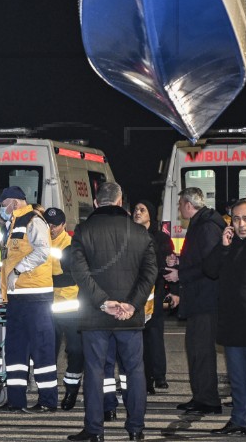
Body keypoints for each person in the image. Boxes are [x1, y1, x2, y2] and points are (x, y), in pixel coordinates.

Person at [67, 182, 157, 442]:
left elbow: (80, 273)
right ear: (120, 202)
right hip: (130, 317)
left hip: (95, 315)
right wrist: (131, 304)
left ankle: (95, 431)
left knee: (94, 370)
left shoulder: (83, 231)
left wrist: (103, 302)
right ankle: (136, 429)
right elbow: (150, 273)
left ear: (96, 203)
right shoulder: (140, 233)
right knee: (134, 371)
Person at [0, 186, 57, 414]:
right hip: (17, 297)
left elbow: (42, 251)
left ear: (15, 202)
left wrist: (18, 271)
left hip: (36, 295)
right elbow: (8, 261)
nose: (1, 208)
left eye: (3, 203)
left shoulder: (33, 220)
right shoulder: (12, 225)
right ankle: (16, 401)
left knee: (42, 349)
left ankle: (48, 401)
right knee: (15, 351)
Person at [168, 187, 225, 415]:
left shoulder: (207, 227)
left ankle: (208, 400)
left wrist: (180, 274)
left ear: (189, 205)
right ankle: (201, 396)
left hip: (206, 300)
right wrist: (180, 260)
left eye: (180, 204)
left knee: (201, 350)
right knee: (195, 349)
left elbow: (210, 265)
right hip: (200, 298)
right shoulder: (201, 224)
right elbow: (200, 258)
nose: (179, 208)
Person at [204, 199, 246, 436]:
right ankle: (239, 420)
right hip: (231, 323)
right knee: (237, 378)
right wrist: (223, 246)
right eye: (236, 219)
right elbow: (210, 270)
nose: (241, 224)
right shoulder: (229, 244)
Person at [131, 200, 174, 394]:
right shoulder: (129, 234)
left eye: (142, 210)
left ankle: (159, 375)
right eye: (135, 210)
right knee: (138, 332)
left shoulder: (160, 238)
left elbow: (167, 263)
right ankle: (143, 375)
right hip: (135, 288)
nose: (137, 213)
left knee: (154, 332)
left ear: (151, 214)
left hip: (154, 289)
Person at [46, 208, 83, 411]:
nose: (51, 229)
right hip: (47, 307)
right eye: (48, 225)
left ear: (63, 226)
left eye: (55, 225)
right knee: (48, 352)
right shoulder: (39, 241)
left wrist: (44, 281)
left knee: (75, 351)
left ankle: (71, 390)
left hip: (70, 307)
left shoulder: (70, 245)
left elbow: (73, 276)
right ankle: (48, 394)